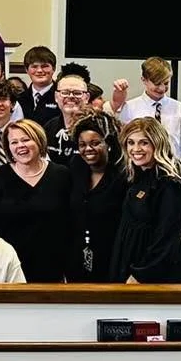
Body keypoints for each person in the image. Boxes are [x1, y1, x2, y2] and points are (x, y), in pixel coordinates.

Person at [0, 119, 72, 282]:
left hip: (52, 267)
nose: (20, 145)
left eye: (26, 139)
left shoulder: (62, 175)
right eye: (14, 142)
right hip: (7, 267)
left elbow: (71, 222)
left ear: (39, 140)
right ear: (8, 148)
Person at [112, 117, 181, 283]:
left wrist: (139, 275)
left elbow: (166, 239)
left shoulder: (169, 184)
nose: (136, 149)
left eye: (144, 143)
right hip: (133, 263)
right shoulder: (136, 176)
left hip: (156, 275)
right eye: (131, 142)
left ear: (157, 144)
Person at [66, 114, 126, 282]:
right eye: (82, 145)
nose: (88, 149)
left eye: (95, 143)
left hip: (113, 257)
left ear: (109, 144)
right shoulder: (75, 167)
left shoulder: (125, 175)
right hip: (77, 257)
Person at [113, 57, 181, 177]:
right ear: (144, 80)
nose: (161, 88)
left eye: (166, 83)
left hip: (171, 171)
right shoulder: (130, 107)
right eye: (157, 83)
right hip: (139, 172)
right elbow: (123, 143)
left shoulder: (179, 107)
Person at [42, 72, 91, 163]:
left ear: (87, 98)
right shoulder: (49, 127)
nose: (71, 96)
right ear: (56, 97)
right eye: (65, 92)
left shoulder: (97, 127)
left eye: (77, 93)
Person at [18, 45, 61, 126]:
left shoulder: (61, 96)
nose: (39, 70)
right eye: (34, 67)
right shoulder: (19, 99)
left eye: (45, 66)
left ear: (54, 68)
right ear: (27, 70)